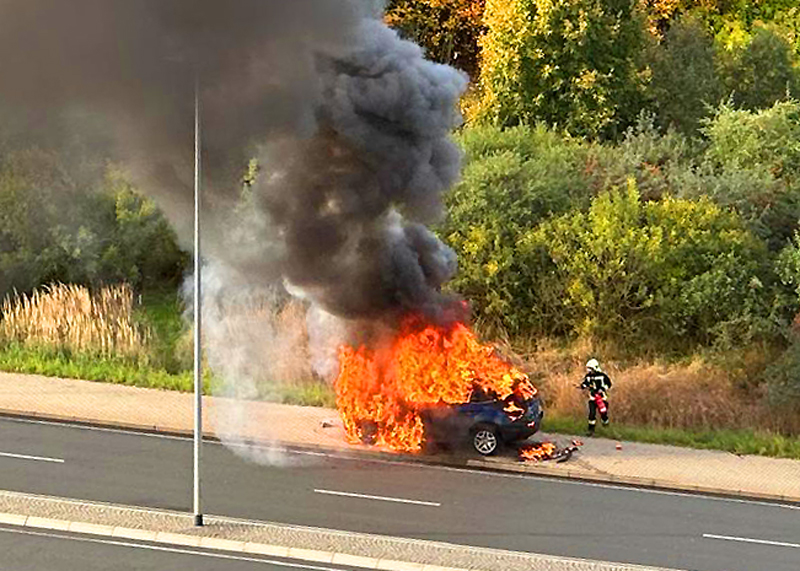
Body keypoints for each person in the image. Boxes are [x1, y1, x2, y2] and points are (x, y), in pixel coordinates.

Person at [579, 358, 612, 436]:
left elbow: (609, 384)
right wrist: (583, 386)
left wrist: (602, 389)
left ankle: (606, 426)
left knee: (603, 413)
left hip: (602, 398)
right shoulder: (588, 376)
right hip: (592, 398)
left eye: (590, 368)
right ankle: (591, 430)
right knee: (592, 413)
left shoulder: (602, 376)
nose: (588, 370)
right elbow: (585, 383)